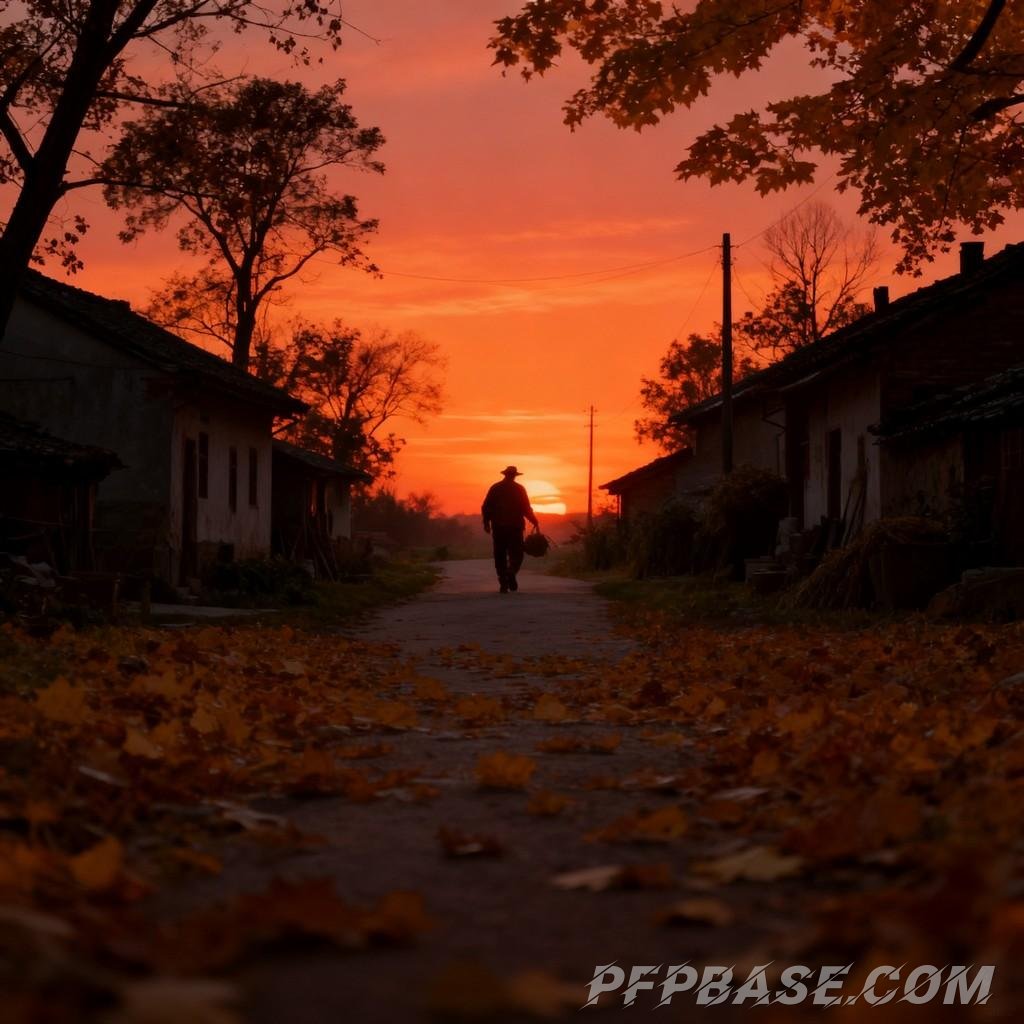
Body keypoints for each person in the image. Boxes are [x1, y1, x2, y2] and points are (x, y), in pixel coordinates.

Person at [481, 466, 539, 593]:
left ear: (505, 475)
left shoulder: (495, 488)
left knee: (499, 554)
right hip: (515, 527)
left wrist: (486, 522)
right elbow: (526, 508)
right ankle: (511, 571)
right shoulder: (519, 489)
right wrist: (534, 520)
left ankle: (503, 580)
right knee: (517, 553)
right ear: (514, 476)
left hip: (498, 527)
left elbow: (486, 507)